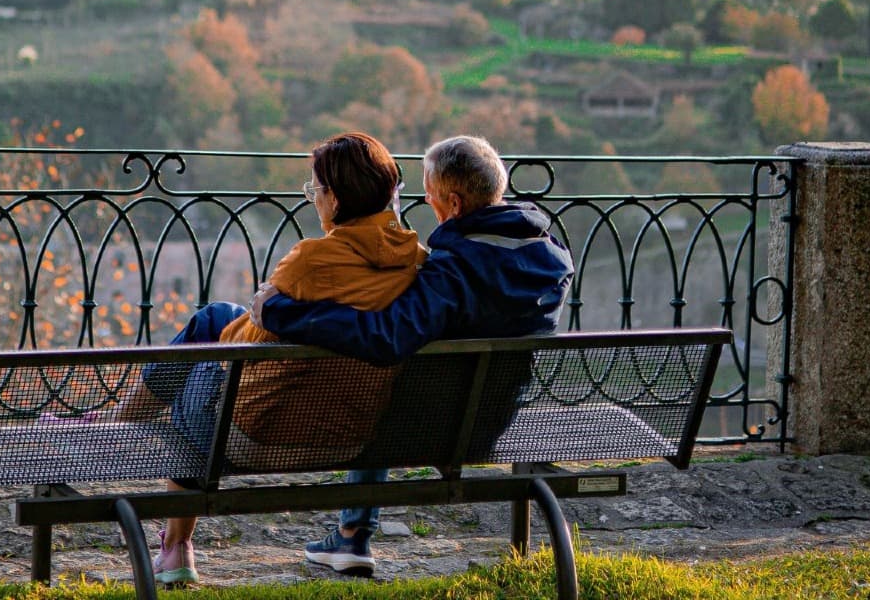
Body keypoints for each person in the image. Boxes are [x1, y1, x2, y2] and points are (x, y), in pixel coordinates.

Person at [107, 131, 426, 586]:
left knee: (208, 338)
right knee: (218, 321)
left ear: (334, 199)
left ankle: (172, 538)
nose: (313, 199)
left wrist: (263, 303)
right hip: (351, 435)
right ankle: (353, 534)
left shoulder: (311, 261)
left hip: (253, 436)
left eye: (315, 189)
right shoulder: (416, 265)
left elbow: (245, 341)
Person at [250, 134, 575, 577]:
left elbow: (385, 338)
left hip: (431, 430)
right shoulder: (552, 258)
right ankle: (351, 533)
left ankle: (353, 534)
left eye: (432, 193)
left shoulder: (449, 270)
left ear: (455, 205)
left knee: (381, 384)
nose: (426, 200)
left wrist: (283, 311)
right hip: (495, 420)